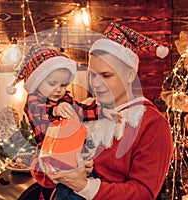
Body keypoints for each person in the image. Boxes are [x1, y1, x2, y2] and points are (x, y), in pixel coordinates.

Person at [32, 22, 173, 200]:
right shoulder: (83, 109)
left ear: (130, 75)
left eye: (106, 75)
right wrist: (50, 167)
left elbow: (143, 194)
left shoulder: (152, 124)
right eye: (92, 75)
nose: (96, 84)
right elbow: (42, 162)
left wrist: (84, 186)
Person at [10, 45, 120, 199]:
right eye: (52, 83)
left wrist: (101, 112)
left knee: (86, 182)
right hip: (52, 157)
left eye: (63, 85)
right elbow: (39, 111)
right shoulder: (34, 99)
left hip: (73, 153)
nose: (58, 90)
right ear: (38, 82)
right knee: (63, 191)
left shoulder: (64, 98)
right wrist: (55, 110)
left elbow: (81, 109)